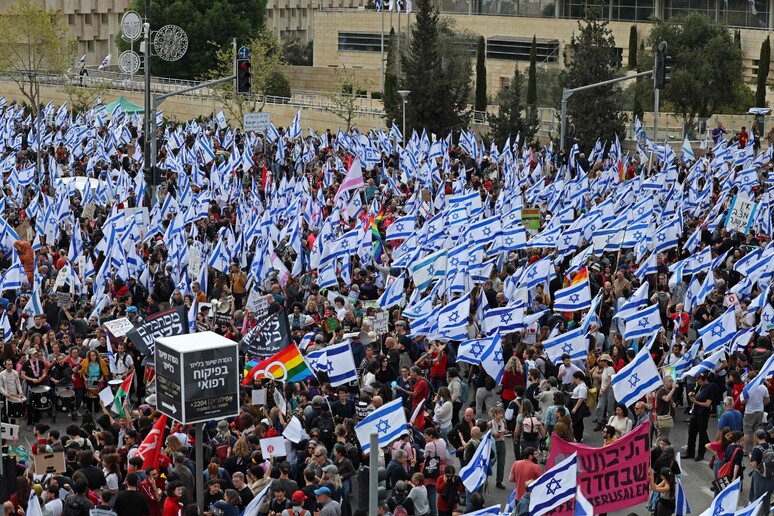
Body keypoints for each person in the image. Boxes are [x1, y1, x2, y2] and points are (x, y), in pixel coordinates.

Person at [685, 373, 717, 461]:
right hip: (695, 413)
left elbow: (707, 404)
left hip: (703, 414)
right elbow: (697, 395)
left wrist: (695, 402)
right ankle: (690, 452)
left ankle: (701, 453)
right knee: (692, 432)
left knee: (702, 435)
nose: (700, 384)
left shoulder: (710, 388)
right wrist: (692, 395)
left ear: (706, 380)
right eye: (698, 382)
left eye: (701, 382)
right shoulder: (700, 387)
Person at [750, 428, 774, 514]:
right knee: (767, 497)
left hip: (760, 477)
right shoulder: (771, 446)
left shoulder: (756, 449)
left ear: (756, 437)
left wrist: (750, 457)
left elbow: (754, 465)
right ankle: (766, 513)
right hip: (771, 475)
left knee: (758, 498)